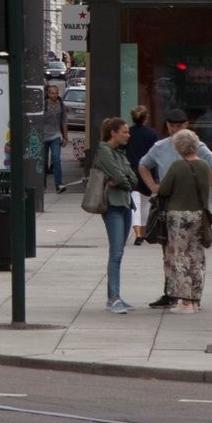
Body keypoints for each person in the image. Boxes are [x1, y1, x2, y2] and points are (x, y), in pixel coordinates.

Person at [154, 129, 212, 311]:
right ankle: (195, 299)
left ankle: (185, 301)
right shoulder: (205, 166)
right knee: (196, 256)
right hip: (199, 215)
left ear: (178, 147)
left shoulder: (177, 167)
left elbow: (164, 190)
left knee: (179, 256)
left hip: (178, 216)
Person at [90, 117, 140, 313]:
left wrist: (123, 181)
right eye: (125, 132)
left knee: (119, 252)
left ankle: (115, 296)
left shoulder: (119, 153)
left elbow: (133, 178)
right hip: (113, 205)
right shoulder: (104, 151)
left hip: (125, 204)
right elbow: (121, 177)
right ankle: (113, 298)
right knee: (116, 252)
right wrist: (123, 181)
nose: (128, 135)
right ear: (113, 133)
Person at [124, 105, 160, 243]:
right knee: (145, 203)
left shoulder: (128, 133)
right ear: (146, 118)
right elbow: (155, 154)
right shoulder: (151, 134)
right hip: (147, 171)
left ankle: (138, 233)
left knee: (135, 204)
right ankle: (143, 232)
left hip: (132, 170)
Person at [38, 84, 70, 192]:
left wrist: (65, 137)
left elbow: (64, 121)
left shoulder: (61, 104)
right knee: (43, 162)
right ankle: (42, 185)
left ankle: (59, 184)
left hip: (55, 136)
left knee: (56, 159)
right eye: (52, 93)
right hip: (43, 137)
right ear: (48, 94)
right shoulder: (43, 105)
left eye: (56, 93)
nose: (54, 95)